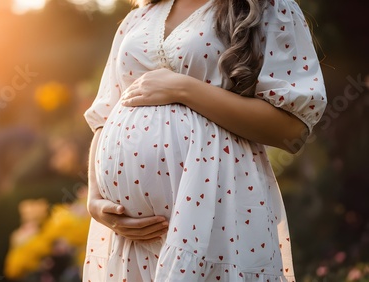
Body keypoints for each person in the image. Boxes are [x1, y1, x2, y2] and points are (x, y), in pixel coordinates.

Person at [83, 0, 326, 280]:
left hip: (218, 220)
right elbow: (104, 116)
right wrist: (95, 199)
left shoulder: (268, 8)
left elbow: (292, 131)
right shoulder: (137, 18)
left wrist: (184, 89)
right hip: (132, 241)